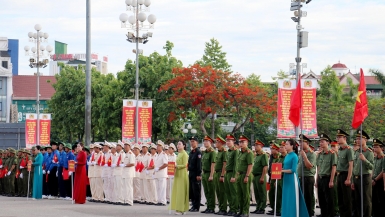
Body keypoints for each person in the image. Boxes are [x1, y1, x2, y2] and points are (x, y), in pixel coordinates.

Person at [281, 139, 309, 217]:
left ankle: (293, 214)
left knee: (292, 198)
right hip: (286, 179)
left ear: (292, 146)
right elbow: (285, 167)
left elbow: (293, 170)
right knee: (286, 198)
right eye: (285, 144)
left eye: (287, 144)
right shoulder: (287, 155)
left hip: (292, 179)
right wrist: (280, 170)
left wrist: (282, 171)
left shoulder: (294, 156)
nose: (285, 146)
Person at [351, 130, 374, 217]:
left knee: (366, 201)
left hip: (365, 178)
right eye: (357, 139)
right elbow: (355, 168)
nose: (357, 141)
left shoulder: (369, 152)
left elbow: (371, 167)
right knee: (357, 200)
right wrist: (353, 181)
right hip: (357, 178)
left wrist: (364, 160)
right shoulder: (357, 152)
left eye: (360, 139)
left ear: (365, 140)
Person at [316, 133, 337, 217]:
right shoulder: (320, 154)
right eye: (320, 142)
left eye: (323, 141)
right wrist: (317, 180)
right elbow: (319, 168)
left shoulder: (332, 153)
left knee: (329, 200)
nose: (321, 143)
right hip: (320, 178)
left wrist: (331, 181)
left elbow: (333, 168)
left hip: (327, 179)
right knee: (321, 200)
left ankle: (330, 215)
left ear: (328, 142)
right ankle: (324, 214)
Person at [335, 129, 354, 217]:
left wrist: (348, 179)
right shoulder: (340, 149)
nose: (337, 139)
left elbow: (351, 165)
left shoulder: (349, 149)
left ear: (344, 138)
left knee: (347, 199)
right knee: (340, 198)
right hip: (339, 175)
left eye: (339, 137)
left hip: (346, 175)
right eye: (337, 137)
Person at [297, 134, 317, 217]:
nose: (300, 144)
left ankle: (309, 212)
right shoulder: (300, 152)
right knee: (301, 197)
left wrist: (305, 156)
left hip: (308, 178)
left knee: (308, 197)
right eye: (299, 142)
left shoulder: (311, 153)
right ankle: (303, 212)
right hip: (300, 177)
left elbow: (309, 166)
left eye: (302, 142)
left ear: (307, 143)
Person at [236, 135, 253, 217]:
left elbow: (250, 165)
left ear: (247, 143)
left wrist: (247, 176)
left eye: (243, 142)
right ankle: (241, 211)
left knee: (245, 194)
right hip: (239, 175)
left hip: (245, 175)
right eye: (240, 142)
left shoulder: (249, 153)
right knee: (239, 194)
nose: (241, 143)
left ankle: (245, 212)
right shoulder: (240, 153)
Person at [171, 140, 189, 215]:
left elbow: (185, 165)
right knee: (178, 191)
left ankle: (181, 209)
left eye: (179, 144)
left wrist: (176, 166)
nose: (178, 145)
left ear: (184, 145)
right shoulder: (179, 154)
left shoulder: (184, 154)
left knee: (181, 192)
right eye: (177, 144)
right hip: (178, 173)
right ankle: (179, 208)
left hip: (182, 174)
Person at [250, 139, 268, 214]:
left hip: (261, 175)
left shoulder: (264, 155)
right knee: (257, 193)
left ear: (261, 146)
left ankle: (262, 208)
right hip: (255, 176)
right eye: (255, 145)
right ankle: (258, 207)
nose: (255, 147)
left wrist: (262, 177)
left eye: (257, 145)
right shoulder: (256, 156)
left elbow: (265, 167)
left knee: (262, 193)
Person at [200, 135, 217, 214]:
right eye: (204, 141)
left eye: (207, 141)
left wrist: (211, 175)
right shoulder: (205, 152)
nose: (205, 142)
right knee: (206, 191)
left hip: (209, 174)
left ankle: (212, 207)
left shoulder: (212, 152)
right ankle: (208, 206)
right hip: (204, 173)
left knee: (211, 191)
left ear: (211, 142)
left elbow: (213, 164)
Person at [224, 134, 238, 216]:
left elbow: (236, 165)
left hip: (232, 173)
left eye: (229, 141)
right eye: (227, 141)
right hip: (227, 173)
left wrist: (234, 176)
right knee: (228, 192)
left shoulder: (235, 151)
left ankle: (234, 209)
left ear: (233, 142)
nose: (228, 142)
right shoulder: (228, 151)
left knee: (233, 193)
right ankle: (231, 208)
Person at [213, 135, 228, 215]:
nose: (216, 143)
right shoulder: (218, 152)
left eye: (217, 142)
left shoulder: (224, 152)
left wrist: (222, 175)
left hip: (221, 173)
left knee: (222, 192)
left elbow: (224, 164)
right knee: (218, 191)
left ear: (221, 143)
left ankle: (223, 208)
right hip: (216, 172)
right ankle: (220, 207)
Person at [188, 136, 202, 212]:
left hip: (196, 174)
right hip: (191, 173)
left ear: (197, 142)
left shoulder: (198, 152)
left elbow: (199, 164)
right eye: (191, 141)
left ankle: (196, 206)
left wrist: (199, 174)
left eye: (193, 141)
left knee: (196, 190)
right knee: (192, 191)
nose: (192, 143)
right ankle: (193, 205)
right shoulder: (191, 152)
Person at [371, 139, 384, 217]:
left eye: (376, 147)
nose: (374, 148)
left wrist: (375, 179)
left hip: (380, 181)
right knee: (374, 201)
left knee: (381, 201)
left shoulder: (383, 158)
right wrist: (372, 179)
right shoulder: (375, 158)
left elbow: (383, 171)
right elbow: (373, 169)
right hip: (374, 181)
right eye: (374, 147)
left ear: (381, 148)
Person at [154, 140, 168, 206]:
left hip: (162, 174)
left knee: (162, 188)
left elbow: (166, 164)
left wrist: (159, 168)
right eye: (157, 146)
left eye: (159, 146)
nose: (157, 147)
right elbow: (155, 165)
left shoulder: (164, 154)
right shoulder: (157, 155)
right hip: (157, 174)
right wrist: (154, 172)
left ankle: (163, 201)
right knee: (158, 188)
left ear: (161, 147)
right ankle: (159, 200)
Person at [122, 142, 135, 206]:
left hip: (129, 173)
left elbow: (132, 163)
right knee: (125, 187)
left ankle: (129, 201)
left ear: (129, 147)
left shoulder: (131, 154)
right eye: (124, 146)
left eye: (127, 146)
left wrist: (125, 165)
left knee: (129, 187)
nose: (125, 147)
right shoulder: (126, 154)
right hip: (125, 173)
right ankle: (126, 200)